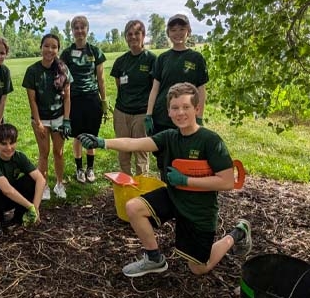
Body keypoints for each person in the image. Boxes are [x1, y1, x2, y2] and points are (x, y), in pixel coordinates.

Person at [78, 82, 252, 276]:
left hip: (199, 209)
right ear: (168, 112)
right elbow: (134, 144)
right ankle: (154, 259)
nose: (180, 113)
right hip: (173, 196)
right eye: (175, 108)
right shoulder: (169, 137)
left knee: (198, 268)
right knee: (133, 207)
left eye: (186, 107)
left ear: (197, 108)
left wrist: (186, 181)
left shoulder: (210, 141)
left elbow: (227, 182)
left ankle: (237, 233)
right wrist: (102, 142)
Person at [145, 14, 209, 179]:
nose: (178, 33)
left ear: (189, 31)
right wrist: (149, 115)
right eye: (173, 30)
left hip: (187, 116)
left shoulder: (196, 58)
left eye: (182, 29)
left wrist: (199, 116)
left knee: (185, 158)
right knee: (163, 158)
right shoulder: (163, 58)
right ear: (168, 33)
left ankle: (184, 192)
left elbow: (201, 90)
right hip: (163, 116)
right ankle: (165, 189)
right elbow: (155, 89)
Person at [22, 34, 73, 200]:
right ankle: (43, 186)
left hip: (58, 117)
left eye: (54, 47)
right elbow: (32, 100)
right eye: (46, 46)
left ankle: (59, 184)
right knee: (44, 153)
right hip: (40, 119)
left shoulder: (63, 69)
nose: (50, 50)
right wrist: (38, 123)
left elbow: (67, 97)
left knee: (59, 152)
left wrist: (66, 120)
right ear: (41, 47)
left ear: (58, 50)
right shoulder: (32, 71)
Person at [0, 124, 46, 237]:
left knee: (31, 181)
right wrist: (30, 206)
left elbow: (41, 180)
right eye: (4, 144)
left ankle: (18, 218)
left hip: (9, 195)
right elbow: (6, 190)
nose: (9, 148)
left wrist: (36, 207)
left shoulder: (19, 157)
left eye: (12, 143)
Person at [60, 15, 107, 184]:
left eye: (82, 27)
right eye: (76, 28)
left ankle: (90, 168)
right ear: (72, 31)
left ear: (87, 29)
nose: (79, 31)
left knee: (91, 135)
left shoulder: (95, 51)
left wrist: (104, 101)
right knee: (78, 136)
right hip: (74, 100)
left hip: (92, 98)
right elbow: (62, 79)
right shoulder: (66, 53)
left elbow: (101, 79)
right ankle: (79, 169)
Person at [110, 20, 156, 176]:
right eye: (129, 34)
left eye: (137, 33)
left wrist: (150, 113)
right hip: (121, 112)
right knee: (123, 151)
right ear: (125, 38)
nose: (133, 37)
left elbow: (155, 87)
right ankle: (126, 186)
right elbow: (119, 86)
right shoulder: (120, 61)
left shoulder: (151, 59)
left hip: (142, 113)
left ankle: (142, 187)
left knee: (141, 152)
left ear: (143, 35)